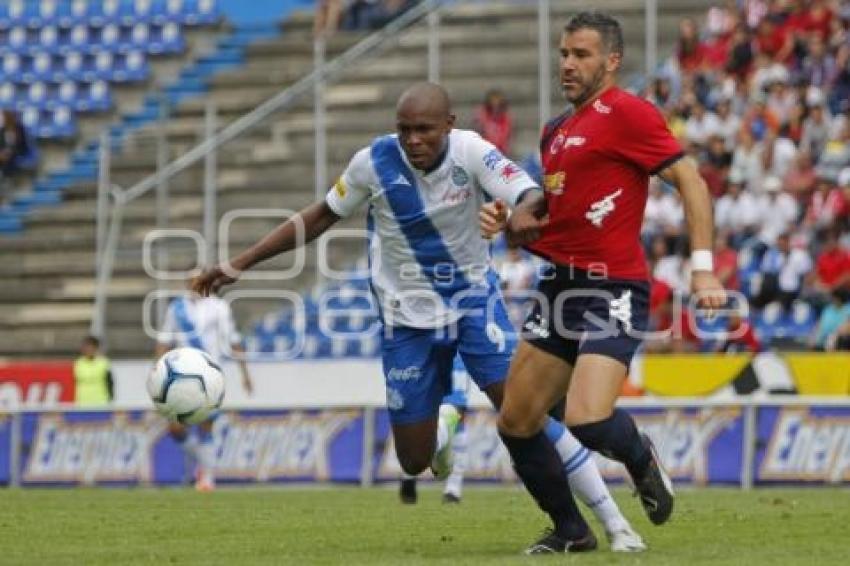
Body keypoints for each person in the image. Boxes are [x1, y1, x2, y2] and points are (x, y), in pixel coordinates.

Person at [193, 82, 645, 553]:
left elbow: (529, 190)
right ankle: (447, 420)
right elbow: (320, 216)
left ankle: (612, 525)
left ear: (449, 125)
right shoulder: (373, 162)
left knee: (523, 411)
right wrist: (238, 265)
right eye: (404, 130)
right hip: (404, 321)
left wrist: (522, 214)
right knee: (413, 461)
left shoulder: (471, 151)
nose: (413, 140)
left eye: (424, 130)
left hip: (472, 303)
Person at [480, 12, 726, 549]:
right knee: (516, 421)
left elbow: (690, 180)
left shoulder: (629, 113)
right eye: (565, 53)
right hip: (558, 285)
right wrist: (514, 219)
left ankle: (639, 456)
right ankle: (572, 531)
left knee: (588, 418)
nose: (568, 64)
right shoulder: (556, 132)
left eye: (582, 55)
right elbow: (558, 208)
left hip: (612, 286)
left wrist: (702, 264)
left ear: (612, 61)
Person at [155, 288, 254, 492]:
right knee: (175, 428)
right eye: (191, 281)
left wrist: (245, 373)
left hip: (210, 374)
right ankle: (203, 465)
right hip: (182, 374)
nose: (195, 284)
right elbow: (164, 341)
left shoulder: (218, 306)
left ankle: (207, 479)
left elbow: (233, 339)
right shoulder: (177, 308)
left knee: (205, 425)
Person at [399, 354, 470, 505]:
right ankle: (410, 474)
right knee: (419, 419)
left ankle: (452, 490)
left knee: (455, 415)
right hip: (423, 355)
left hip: (455, 356)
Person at [73, 335, 113, 406]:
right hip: (82, 402)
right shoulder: (78, 363)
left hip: (101, 402)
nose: (88, 350)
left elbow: (110, 383)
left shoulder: (103, 363)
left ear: (96, 348)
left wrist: (110, 400)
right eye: (86, 347)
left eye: (91, 347)